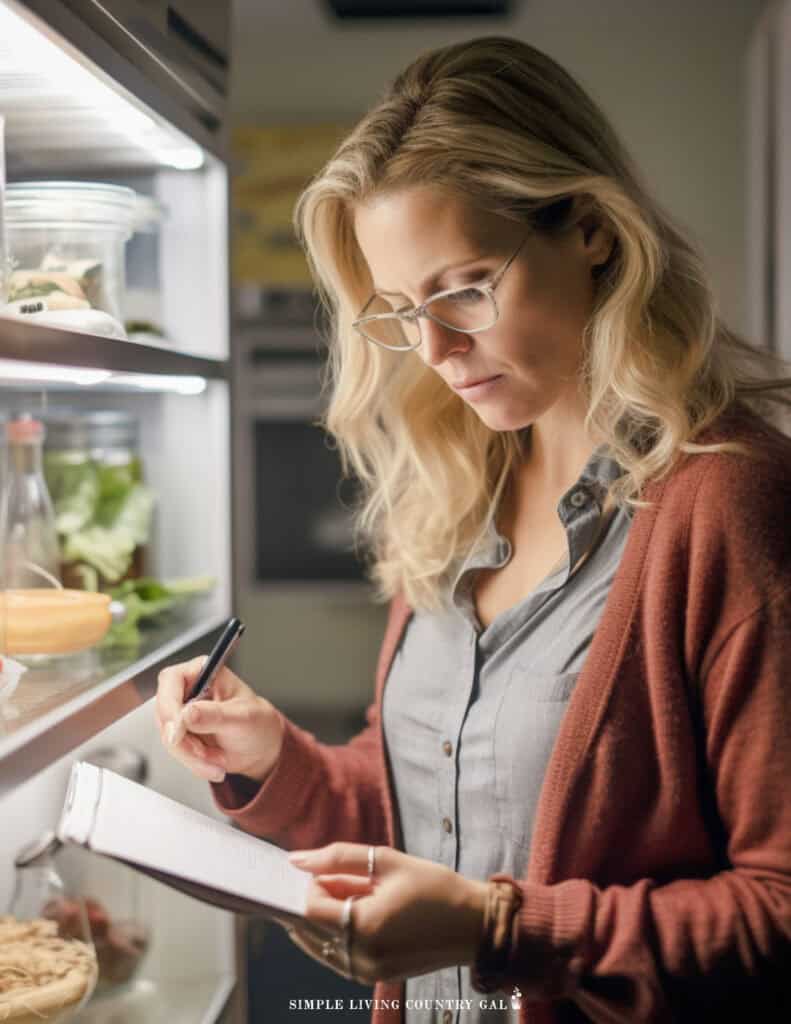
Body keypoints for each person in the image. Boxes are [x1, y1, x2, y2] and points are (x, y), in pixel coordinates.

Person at [157, 36, 791, 1024]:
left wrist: (495, 929)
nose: (436, 350)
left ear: (586, 228)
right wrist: (276, 758)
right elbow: (434, 811)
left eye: (462, 289)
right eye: (402, 310)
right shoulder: (458, 484)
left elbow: (776, 910)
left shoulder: (727, 502)